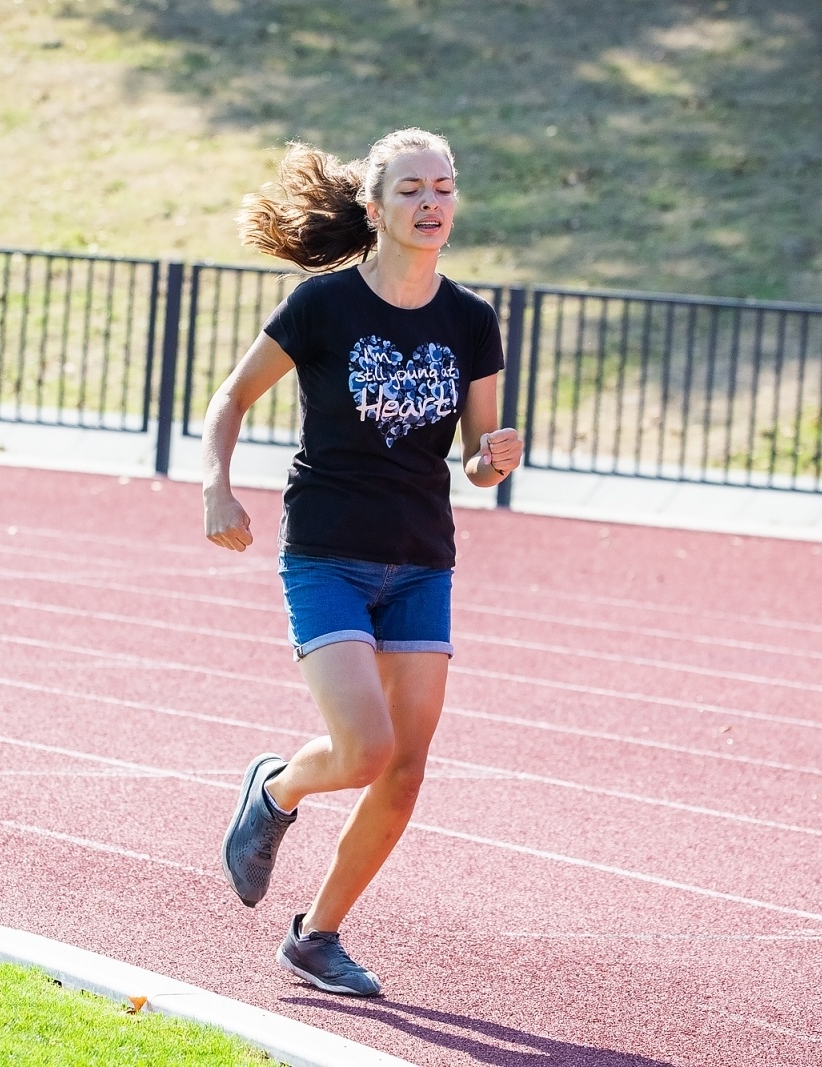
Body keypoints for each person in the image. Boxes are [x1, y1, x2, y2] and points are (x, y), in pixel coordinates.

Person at [201, 128, 523, 997]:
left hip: (421, 559)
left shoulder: (471, 319)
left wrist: (497, 456)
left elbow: (476, 462)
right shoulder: (322, 307)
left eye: (446, 187)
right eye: (413, 188)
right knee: (365, 749)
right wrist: (216, 488)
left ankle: (317, 935)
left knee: (407, 768)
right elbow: (231, 397)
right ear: (375, 209)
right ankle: (274, 789)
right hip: (328, 555)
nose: (433, 203)